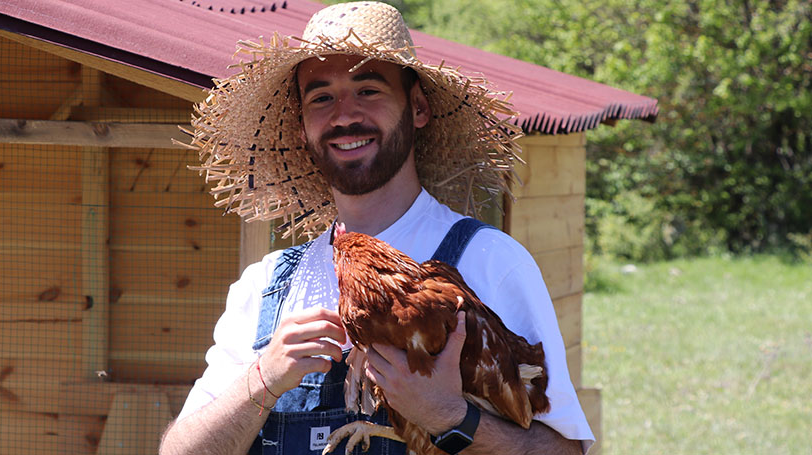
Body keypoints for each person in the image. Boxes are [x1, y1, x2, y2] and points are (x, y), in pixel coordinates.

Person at [161, 2, 594, 454]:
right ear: (303, 125)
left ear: (419, 107)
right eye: (321, 97)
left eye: (368, 89)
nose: (345, 115)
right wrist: (263, 380)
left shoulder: (489, 263)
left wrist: (450, 417)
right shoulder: (267, 285)